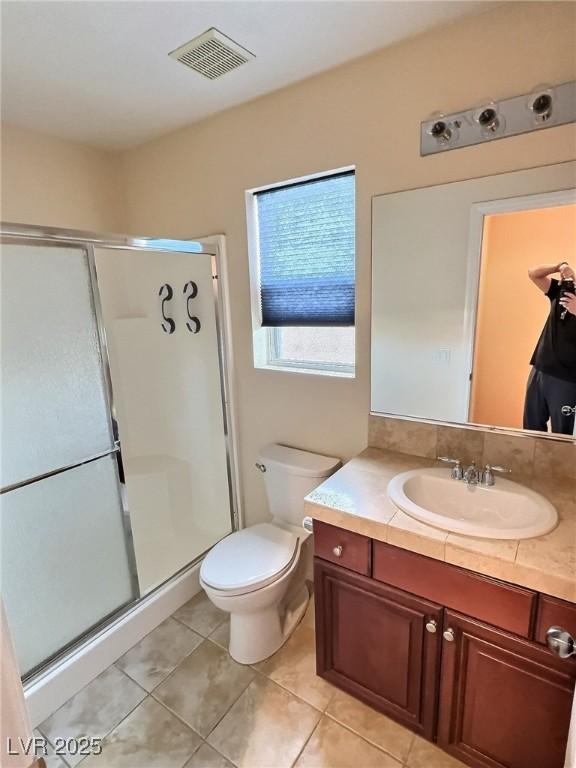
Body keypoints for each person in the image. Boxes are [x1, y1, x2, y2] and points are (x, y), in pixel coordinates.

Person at [524, 261, 576, 435]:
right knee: (531, 430)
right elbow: (533, 273)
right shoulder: (564, 290)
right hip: (539, 370)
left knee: (561, 437)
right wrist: (559, 266)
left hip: (567, 380)